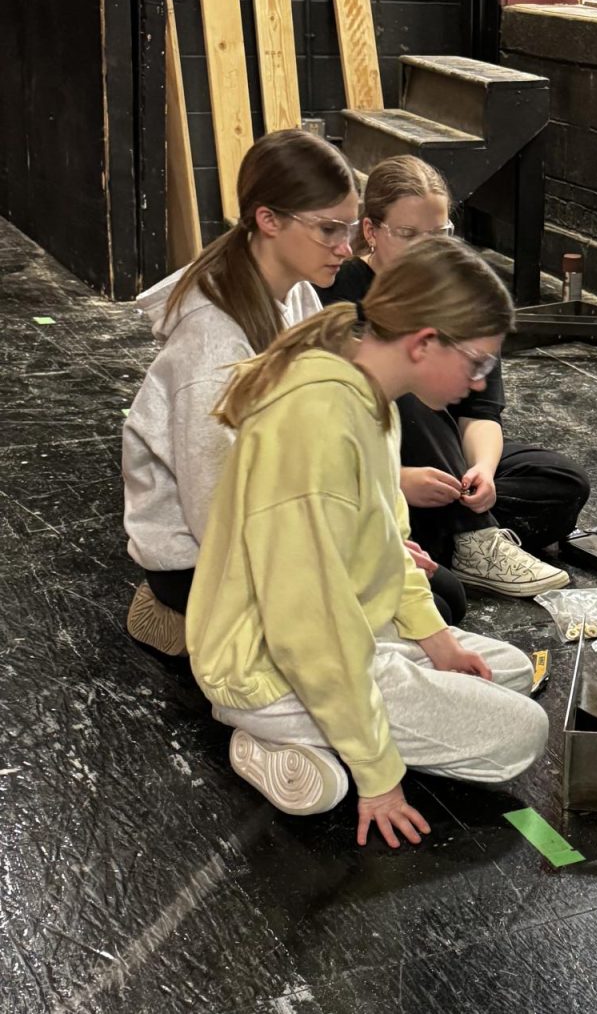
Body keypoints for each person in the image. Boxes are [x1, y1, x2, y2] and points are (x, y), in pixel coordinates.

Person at [187, 237, 548, 846]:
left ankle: (335, 734)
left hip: (352, 627)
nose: (480, 381)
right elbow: (307, 627)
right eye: (478, 363)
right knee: (522, 734)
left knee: (506, 671)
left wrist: (434, 641)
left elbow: (389, 540)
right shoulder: (321, 425)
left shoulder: (372, 398)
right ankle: (292, 743)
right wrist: (379, 777)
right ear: (424, 341)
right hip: (269, 664)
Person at [122, 131, 465, 656]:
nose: (346, 248)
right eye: (328, 229)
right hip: (204, 560)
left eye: (348, 229)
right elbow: (218, 519)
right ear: (268, 220)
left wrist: (369, 532)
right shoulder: (212, 348)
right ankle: (182, 624)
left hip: (276, 522)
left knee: (441, 596)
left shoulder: (297, 294)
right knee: (410, 616)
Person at [316, 156, 589, 599]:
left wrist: (481, 472)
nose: (428, 250)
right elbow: (325, 427)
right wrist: (395, 477)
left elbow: (479, 410)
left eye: (439, 236)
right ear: (371, 232)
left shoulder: (461, 292)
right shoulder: (337, 294)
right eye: (409, 235)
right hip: (362, 461)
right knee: (407, 392)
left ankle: (455, 532)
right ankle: (471, 536)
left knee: (563, 481)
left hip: (439, 457)